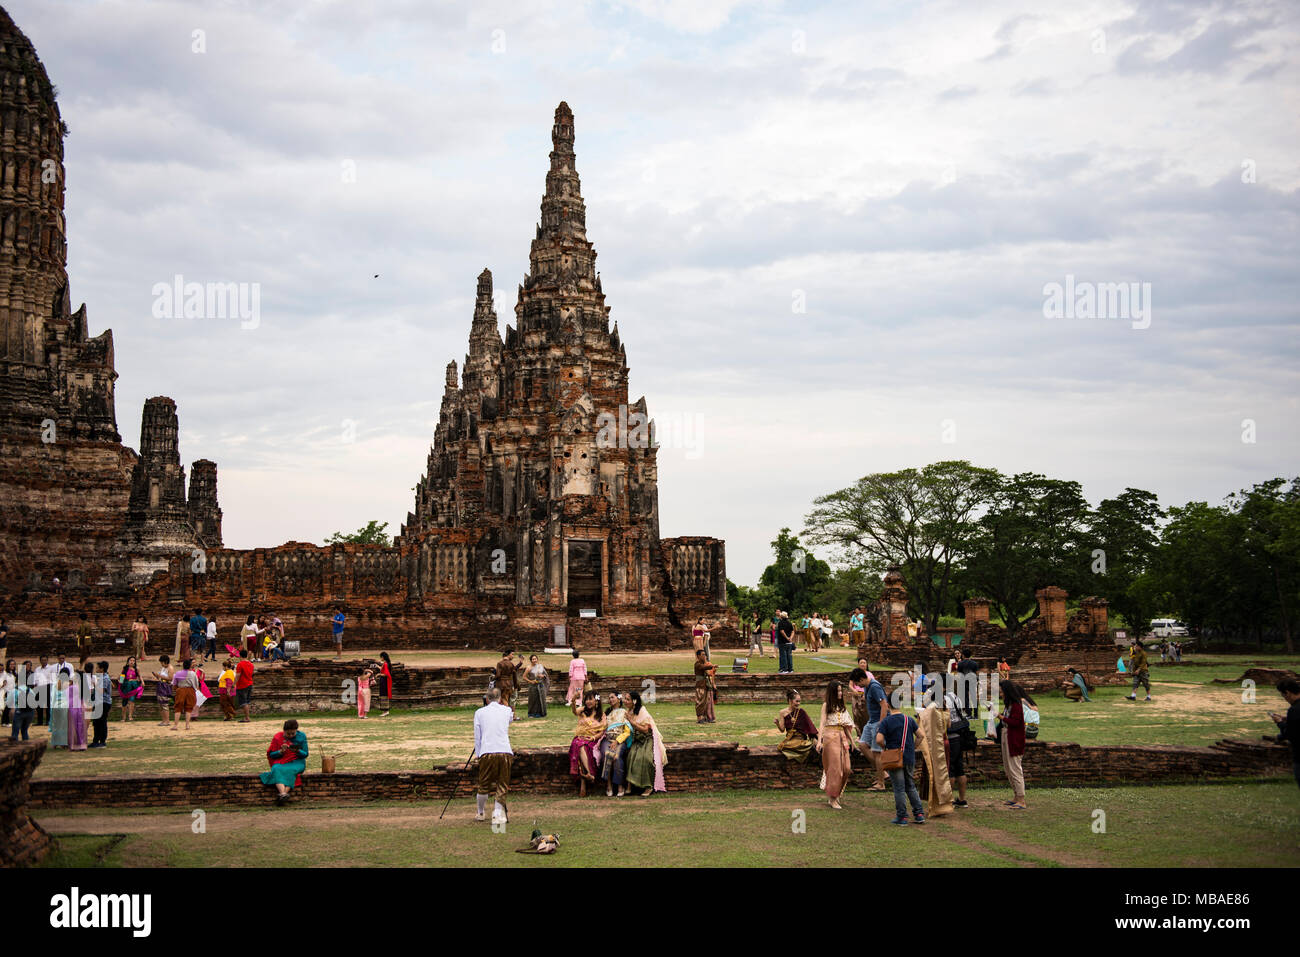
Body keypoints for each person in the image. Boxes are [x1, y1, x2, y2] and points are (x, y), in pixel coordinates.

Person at [876, 697, 925, 825]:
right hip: (909, 756)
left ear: (887, 704)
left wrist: (885, 748)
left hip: (894, 758)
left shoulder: (886, 722)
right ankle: (919, 813)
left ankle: (902, 816)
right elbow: (921, 736)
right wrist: (913, 747)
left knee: (899, 788)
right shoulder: (909, 719)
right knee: (910, 786)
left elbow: (879, 739)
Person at [472, 687, 513, 822]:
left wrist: (478, 754)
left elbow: (478, 736)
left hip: (487, 750)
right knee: (502, 784)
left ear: (487, 699)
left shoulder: (479, 712)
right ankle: (497, 813)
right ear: (500, 698)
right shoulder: (507, 710)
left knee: (484, 784)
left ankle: (480, 812)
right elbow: (509, 720)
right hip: (504, 750)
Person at [817, 680, 855, 810]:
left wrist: (853, 741)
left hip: (841, 738)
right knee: (835, 769)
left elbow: (845, 726)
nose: (840, 693)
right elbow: (822, 723)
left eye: (841, 691)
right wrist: (819, 740)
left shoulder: (842, 707)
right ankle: (832, 798)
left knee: (846, 768)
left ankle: (836, 792)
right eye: (838, 691)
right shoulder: (826, 705)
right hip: (830, 737)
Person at [997, 680, 1035, 809]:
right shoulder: (1009, 705)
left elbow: (1015, 722)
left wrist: (1001, 717)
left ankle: (1021, 799)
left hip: (1014, 738)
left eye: (1001, 691)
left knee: (1015, 769)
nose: (1000, 693)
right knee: (1008, 769)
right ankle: (1016, 796)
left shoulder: (1017, 705)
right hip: (1006, 735)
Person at [625, 690, 667, 796]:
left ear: (634, 701)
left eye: (627, 699)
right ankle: (630, 785)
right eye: (625, 699)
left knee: (647, 759)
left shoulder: (642, 711)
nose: (625, 701)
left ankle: (648, 787)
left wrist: (632, 722)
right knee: (630, 756)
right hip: (637, 740)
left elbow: (645, 730)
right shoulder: (628, 712)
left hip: (648, 738)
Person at [261, 719, 309, 806]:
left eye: (293, 734)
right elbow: (272, 755)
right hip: (281, 760)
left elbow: (305, 754)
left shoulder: (302, 736)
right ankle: (283, 794)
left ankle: (282, 794)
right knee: (276, 768)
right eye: (288, 734)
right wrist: (280, 751)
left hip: (297, 762)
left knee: (291, 770)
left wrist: (297, 751)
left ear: (296, 731)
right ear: (284, 731)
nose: (290, 736)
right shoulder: (277, 737)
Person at [855, 669, 889, 791]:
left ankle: (881, 783)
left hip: (878, 722)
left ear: (862, 679)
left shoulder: (875, 687)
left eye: (857, 683)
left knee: (877, 752)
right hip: (871, 721)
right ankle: (883, 773)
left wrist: (881, 725)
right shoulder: (867, 687)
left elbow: (884, 705)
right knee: (863, 745)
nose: (858, 686)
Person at [568, 691, 606, 796]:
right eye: (587, 699)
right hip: (580, 738)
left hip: (592, 741)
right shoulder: (583, 710)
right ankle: (590, 774)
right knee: (580, 746)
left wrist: (593, 737)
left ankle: (583, 785)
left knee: (583, 748)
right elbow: (574, 711)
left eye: (591, 699)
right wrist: (573, 700)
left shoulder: (601, 715)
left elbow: (602, 731)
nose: (588, 702)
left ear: (596, 700)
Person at [1269, 678, 1300, 790]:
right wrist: (1289, 720)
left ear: (1287, 693)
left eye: (1283, 696)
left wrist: (1280, 723)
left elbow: (1290, 734)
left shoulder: (1294, 709)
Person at [942, 686, 970, 808]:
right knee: (960, 769)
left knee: (950, 770)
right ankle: (962, 799)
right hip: (960, 735)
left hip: (950, 736)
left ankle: (949, 800)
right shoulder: (955, 696)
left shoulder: (942, 699)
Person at [601, 692, 631, 797]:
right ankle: (608, 785)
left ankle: (620, 785)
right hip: (607, 739)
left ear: (619, 699)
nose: (610, 699)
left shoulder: (624, 712)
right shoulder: (606, 713)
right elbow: (602, 727)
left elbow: (627, 731)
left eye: (612, 697)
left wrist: (617, 741)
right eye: (609, 698)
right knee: (607, 755)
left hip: (619, 740)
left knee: (616, 757)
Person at [775, 689, 818, 763]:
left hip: (800, 739)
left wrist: (817, 739)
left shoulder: (801, 712)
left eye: (799, 701)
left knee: (803, 745)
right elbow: (782, 730)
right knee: (781, 746)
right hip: (790, 739)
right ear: (790, 700)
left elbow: (810, 726)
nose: (798, 703)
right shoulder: (782, 712)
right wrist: (777, 724)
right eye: (796, 701)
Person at [9, 663, 36, 741]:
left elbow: (8, 702)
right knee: (24, 731)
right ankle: (26, 746)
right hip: (29, 712)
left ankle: (15, 748)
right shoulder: (30, 690)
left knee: (15, 731)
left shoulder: (14, 690)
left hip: (19, 712)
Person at [171, 658, 199, 731]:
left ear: (183, 666)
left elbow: (174, 684)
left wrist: (176, 689)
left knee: (178, 707)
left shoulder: (177, 673)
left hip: (180, 690)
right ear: (190, 666)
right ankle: (187, 725)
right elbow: (196, 684)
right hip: (190, 690)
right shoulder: (193, 674)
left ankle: (175, 725)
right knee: (188, 708)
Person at [89, 661, 112, 748]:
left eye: (97, 668)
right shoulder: (100, 677)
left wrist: (94, 684)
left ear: (102, 669)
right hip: (98, 702)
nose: (96, 669)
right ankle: (95, 740)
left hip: (104, 702)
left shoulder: (105, 678)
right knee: (96, 722)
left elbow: (101, 691)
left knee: (102, 722)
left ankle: (102, 741)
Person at [693, 649, 717, 723]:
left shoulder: (704, 663)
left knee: (706, 702)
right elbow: (703, 667)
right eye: (703, 655)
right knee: (700, 702)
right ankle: (699, 718)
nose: (704, 656)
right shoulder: (697, 664)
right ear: (698, 656)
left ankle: (705, 717)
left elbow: (708, 673)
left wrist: (713, 669)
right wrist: (711, 666)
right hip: (700, 686)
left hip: (705, 685)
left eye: (705, 655)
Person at [118, 656, 143, 721]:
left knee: (132, 700)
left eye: (133, 661)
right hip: (126, 685)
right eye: (130, 660)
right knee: (124, 701)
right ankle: (123, 717)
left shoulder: (137, 668)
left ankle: (130, 716)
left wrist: (142, 682)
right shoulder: (125, 668)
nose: (132, 662)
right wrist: (120, 682)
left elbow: (140, 676)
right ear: (128, 661)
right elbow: (122, 676)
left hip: (133, 686)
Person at [524, 654, 548, 718]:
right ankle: (531, 714)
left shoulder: (540, 666)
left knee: (540, 699)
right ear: (531, 660)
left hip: (540, 684)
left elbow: (545, 675)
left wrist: (543, 676)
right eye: (533, 659)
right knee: (533, 700)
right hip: (533, 686)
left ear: (537, 659)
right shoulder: (529, 667)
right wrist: (531, 681)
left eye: (535, 659)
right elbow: (524, 677)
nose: (534, 660)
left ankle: (540, 713)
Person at [235, 650, 255, 722]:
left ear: (240, 656)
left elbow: (238, 675)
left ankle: (247, 717)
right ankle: (247, 717)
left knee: (243, 702)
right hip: (249, 683)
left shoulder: (240, 664)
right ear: (246, 655)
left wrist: (234, 683)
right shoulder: (251, 664)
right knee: (247, 701)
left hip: (242, 684)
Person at [153, 654, 173, 726]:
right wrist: (157, 677)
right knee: (160, 704)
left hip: (166, 686)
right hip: (160, 685)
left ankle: (167, 720)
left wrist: (160, 676)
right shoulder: (163, 668)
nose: (161, 664)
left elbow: (170, 678)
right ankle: (163, 720)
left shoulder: (170, 668)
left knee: (164, 704)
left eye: (162, 663)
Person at [377, 652, 393, 716]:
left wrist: (379, 674)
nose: (380, 658)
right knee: (383, 694)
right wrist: (377, 666)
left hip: (384, 681)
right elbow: (382, 669)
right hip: (384, 681)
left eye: (381, 657)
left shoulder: (385, 664)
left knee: (384, 695)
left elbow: (386, 674)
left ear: (383, 657)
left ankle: (385, 711)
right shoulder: (386, 664)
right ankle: (385, 710)